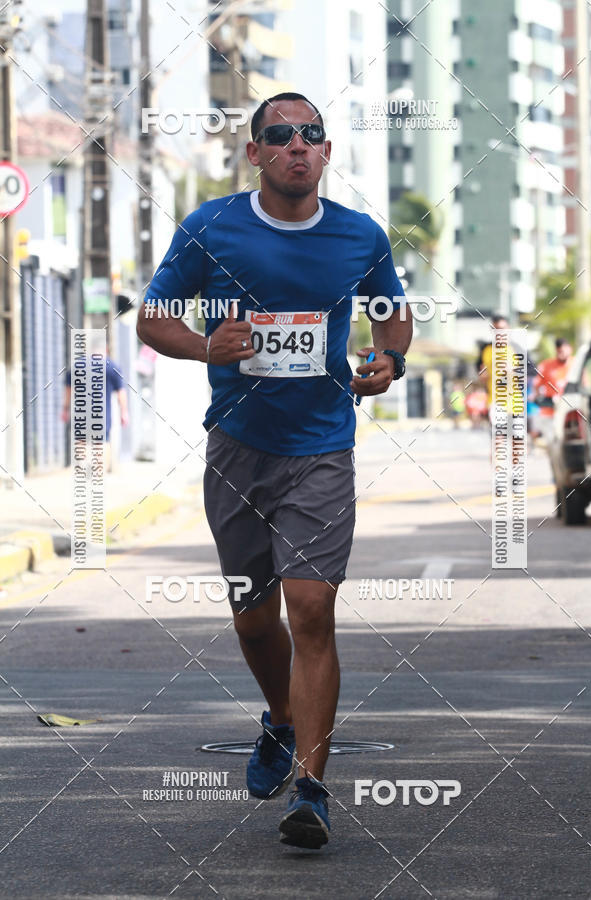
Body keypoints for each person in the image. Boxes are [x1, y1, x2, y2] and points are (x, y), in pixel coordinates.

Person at [137, 92, 413, 849]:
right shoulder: (212, 228)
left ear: (326, 153)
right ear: (255, 153)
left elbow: (391, 310)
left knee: (311, 608)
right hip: (236, 447)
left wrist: (390, 357)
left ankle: (312, 791)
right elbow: (153, 315)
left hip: (322, 446)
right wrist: (204, 347)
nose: (299, 146)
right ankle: (280, 722)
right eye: (281, 136)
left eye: (312, 136)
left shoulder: (359, 236)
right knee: (255, 619)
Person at [61, 348, 129, 471]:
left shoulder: (78, 365)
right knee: (101, 441)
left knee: (81, 439)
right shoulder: (112, 366)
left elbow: (68, 390)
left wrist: (65, 409)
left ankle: (82, 467)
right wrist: (124, 412)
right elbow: (121, 393)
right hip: (102, 413)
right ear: (106, 349)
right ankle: (97, 471)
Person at [534, 338, 573, 420]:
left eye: (563, 351)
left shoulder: (576, 364)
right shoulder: (546, 365)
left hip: (570, 411)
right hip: (550, 411)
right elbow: (536, 385)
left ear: (570, 349)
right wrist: (539, 399)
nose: (561, 354)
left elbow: (585, 384)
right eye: (559, 352)